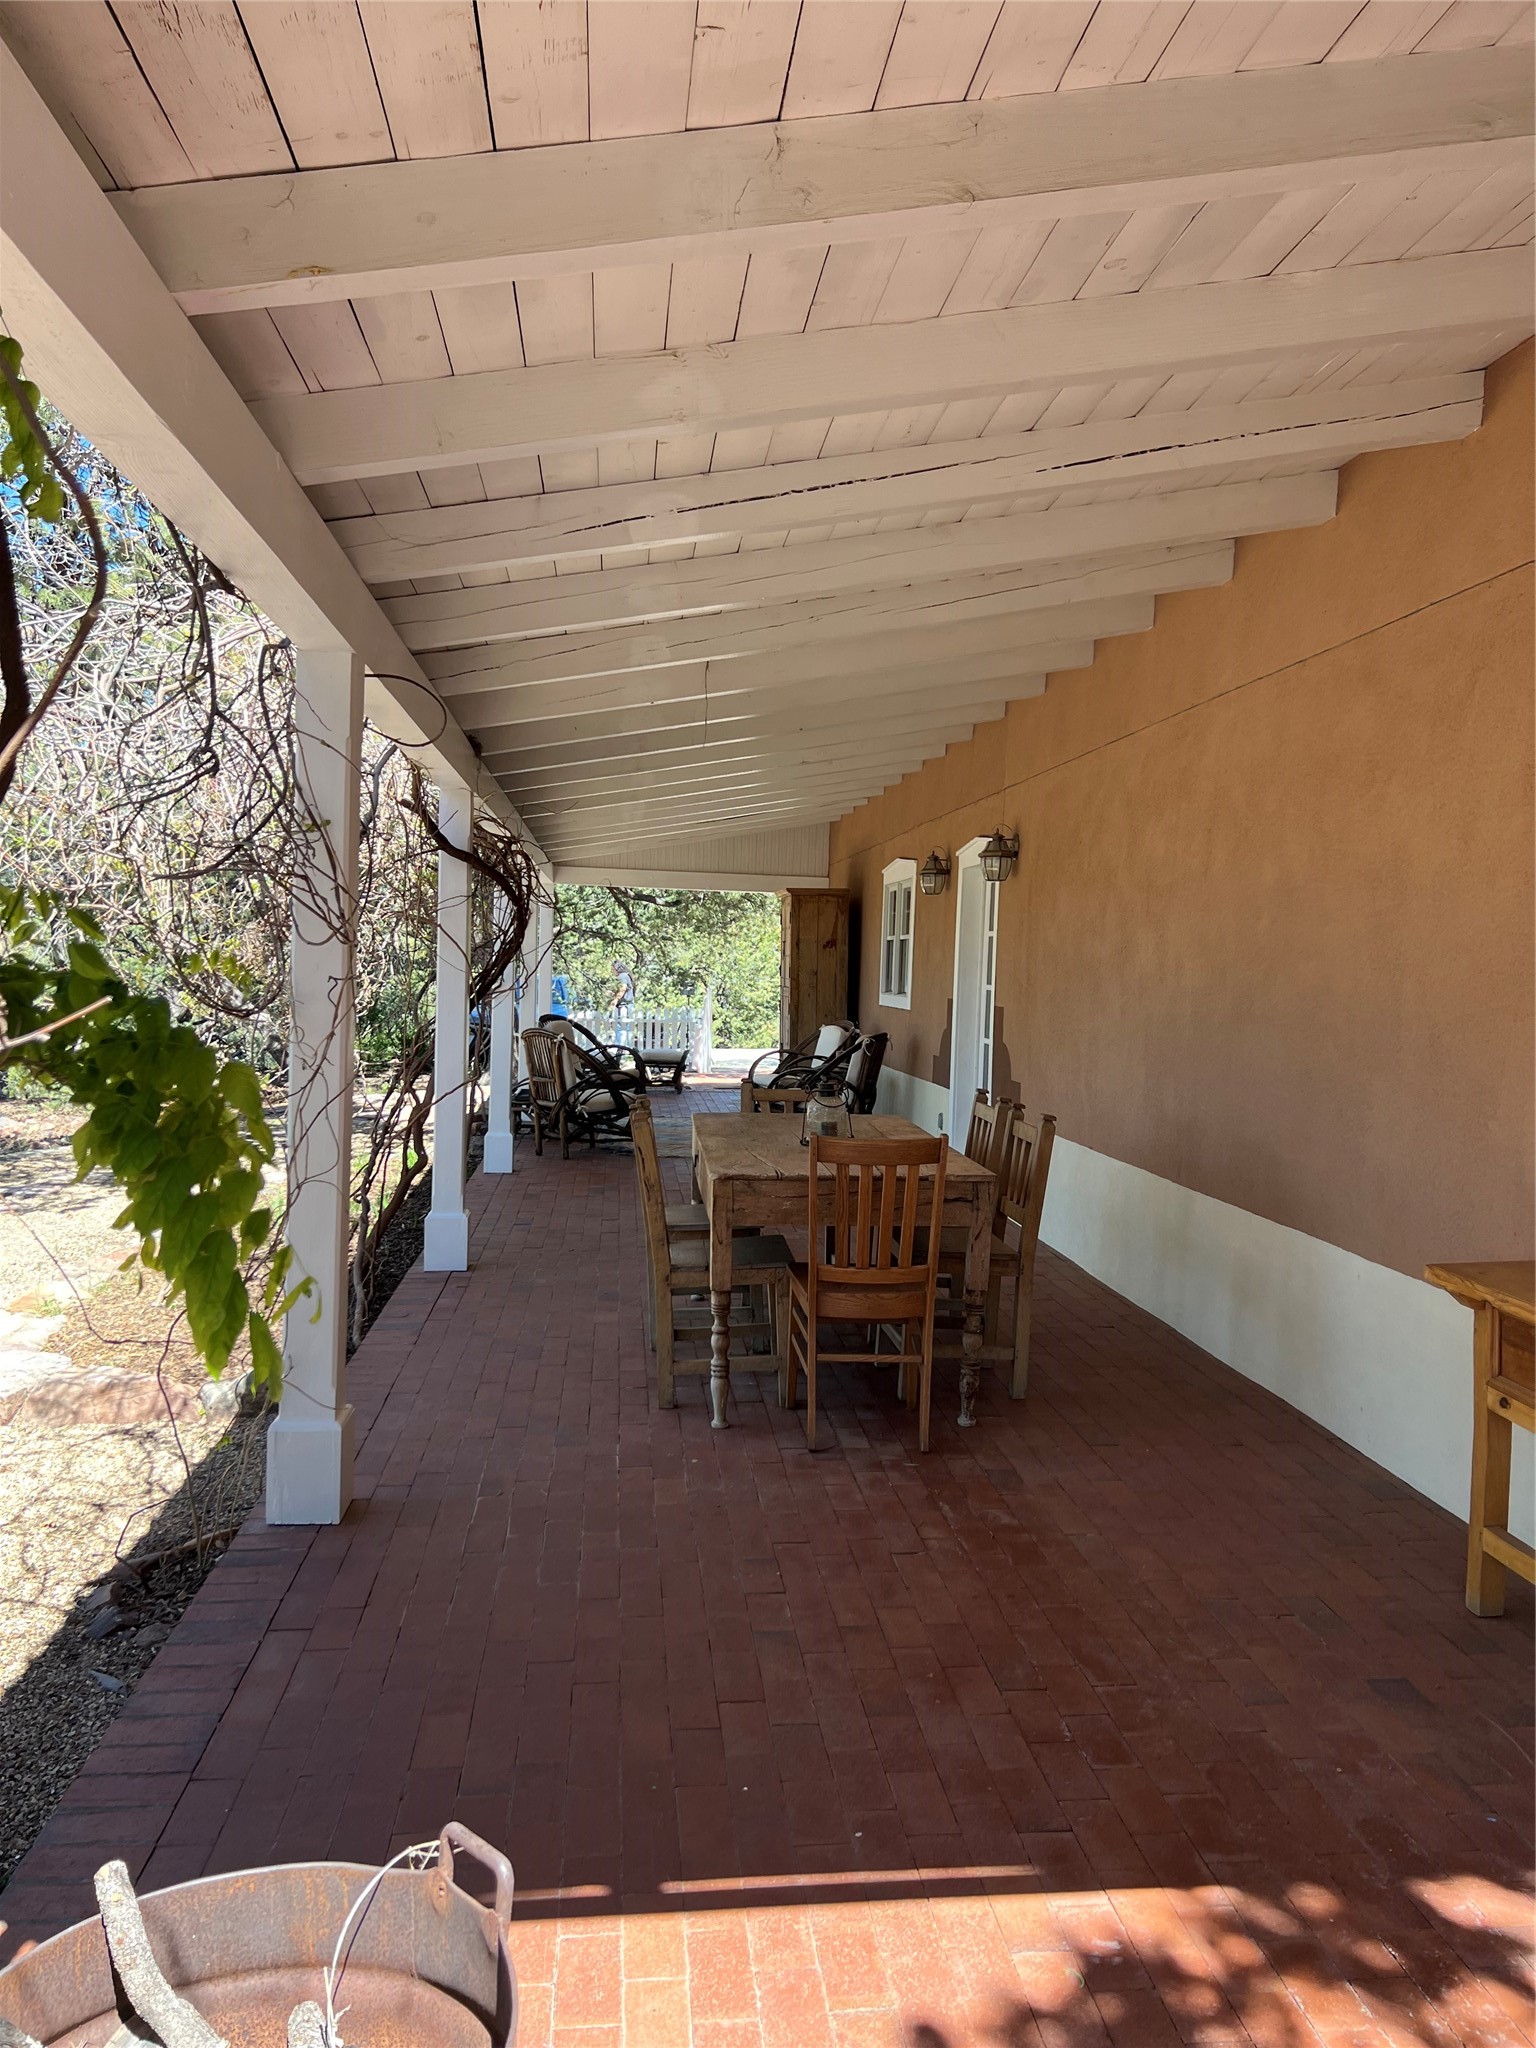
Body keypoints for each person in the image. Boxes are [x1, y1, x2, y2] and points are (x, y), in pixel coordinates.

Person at [607, 958, 636, 1045]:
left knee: (620, 1027)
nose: (612, 971)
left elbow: (623, 988)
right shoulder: (627, 975)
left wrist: (615, 1000)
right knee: (628, 1028)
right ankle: (628, 1048)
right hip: (629, 1005)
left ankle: (621, 1047)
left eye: (613, 969)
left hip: (623, 1006)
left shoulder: (622, 976)